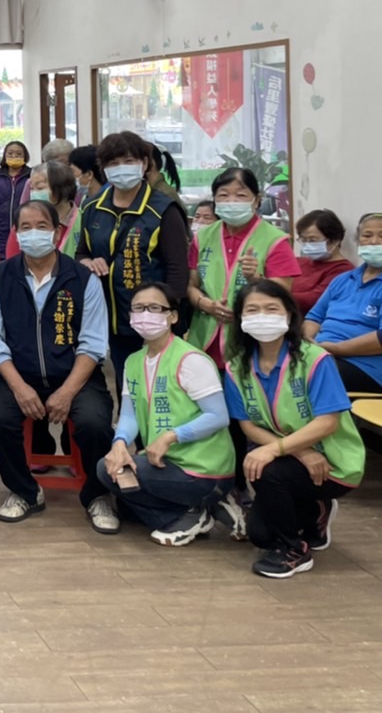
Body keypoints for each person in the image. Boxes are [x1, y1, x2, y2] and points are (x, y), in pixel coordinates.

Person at [0, 201, 118, 533]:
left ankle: (98, 495)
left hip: (76, 376)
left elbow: (93, 343)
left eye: (42, 226)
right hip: (18, 374)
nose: (33, 233)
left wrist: (67, 392)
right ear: (16, 233)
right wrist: (19, 387)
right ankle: (25, 491)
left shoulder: (82, 279)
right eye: (25, 227)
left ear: (56, 232)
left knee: (95, 424)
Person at [224, 280, 363, 578]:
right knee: (261, 535)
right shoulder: (236, 367)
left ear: (288, 315)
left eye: (271, 308)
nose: (262, 316)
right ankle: (315, 511)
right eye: (252, 310)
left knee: (265, 468)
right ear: (241, 318)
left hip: (333, 463)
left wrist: (275, 450)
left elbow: (328, 422)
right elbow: (247, 425)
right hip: (297, 457)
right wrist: (300, 452)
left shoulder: (315, 359)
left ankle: (294, 550)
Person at [96, 282, 239, 546]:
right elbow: (129, 414)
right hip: (162, 461)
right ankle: (198, 510)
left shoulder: (191, 360)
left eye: (154, 308)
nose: (145, 314)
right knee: (111, 472)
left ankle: (196, 509)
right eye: (138, 308)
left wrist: (171, 436)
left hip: (202, 466)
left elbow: (218, 416)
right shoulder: (133, 361)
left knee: (128, 485)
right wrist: (119, 444)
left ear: (172, 316)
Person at [79, 131, 191, 390]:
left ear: (144, 163)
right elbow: (82, 252)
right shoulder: (92, 207)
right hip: (112, 318)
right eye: (114, 163)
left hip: (154, 319)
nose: (122, 168)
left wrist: (166, 314)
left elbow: (177, 269)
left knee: (161, 387)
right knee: (127, 385)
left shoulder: (163, 209)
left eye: (129, 161)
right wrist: (87, 262)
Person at [188, 167, 299, 362]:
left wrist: (255, 279)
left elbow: (283, 292)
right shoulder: (202, 237)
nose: (231, 202)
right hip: (204, 336)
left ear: (256, 200)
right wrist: (206, 304)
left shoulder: (275, 240)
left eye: (240, 195)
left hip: (253, 338)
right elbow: (191, 285)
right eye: (223, 195)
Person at [303, 212, 382, 393]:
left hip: (366, 368)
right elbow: (315, 317)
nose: (374, 241)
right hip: (322, 353)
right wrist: (306, 343)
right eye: (367, 235)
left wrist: (335, 349)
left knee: (307, 376)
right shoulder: (343, 279)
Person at [7, 161, 82, 258]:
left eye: (40, 188)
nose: (33, 193)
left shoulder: (84, 220)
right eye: (32, 188)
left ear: (62, 188)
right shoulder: (24, 222)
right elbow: (12, 258)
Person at [293, 208, 352, 318]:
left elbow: (312, 300)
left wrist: (275, 294)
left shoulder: (343, 270)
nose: (307, 245)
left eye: (313, 240)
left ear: (335, 240)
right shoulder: (299, 262)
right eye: (304, 240)